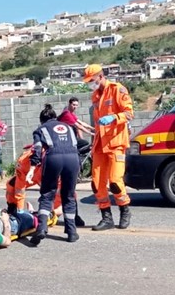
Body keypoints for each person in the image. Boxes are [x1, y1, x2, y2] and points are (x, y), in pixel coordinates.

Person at [84, 63, 134, 230]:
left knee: (115, 181)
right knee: (97, 183)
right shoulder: (95, 96)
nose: (90, 83)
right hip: (99, 144)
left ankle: (125, 210)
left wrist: (113, 117)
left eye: (92, 80)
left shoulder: (117, 89)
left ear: (100, 75)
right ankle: (107, 218)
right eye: (88, 81)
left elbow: (129, 113)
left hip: (115, 144)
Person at [25, 105, 81, 245]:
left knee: (47, 194)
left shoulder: (41, 129)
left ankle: (42, 228)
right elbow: (76, 144)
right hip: (73, 159)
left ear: (42, 120)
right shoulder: (68, 127)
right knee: (68, 195)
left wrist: (32, 168)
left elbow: (37, 149)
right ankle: (72, 232)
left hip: (54, 158)